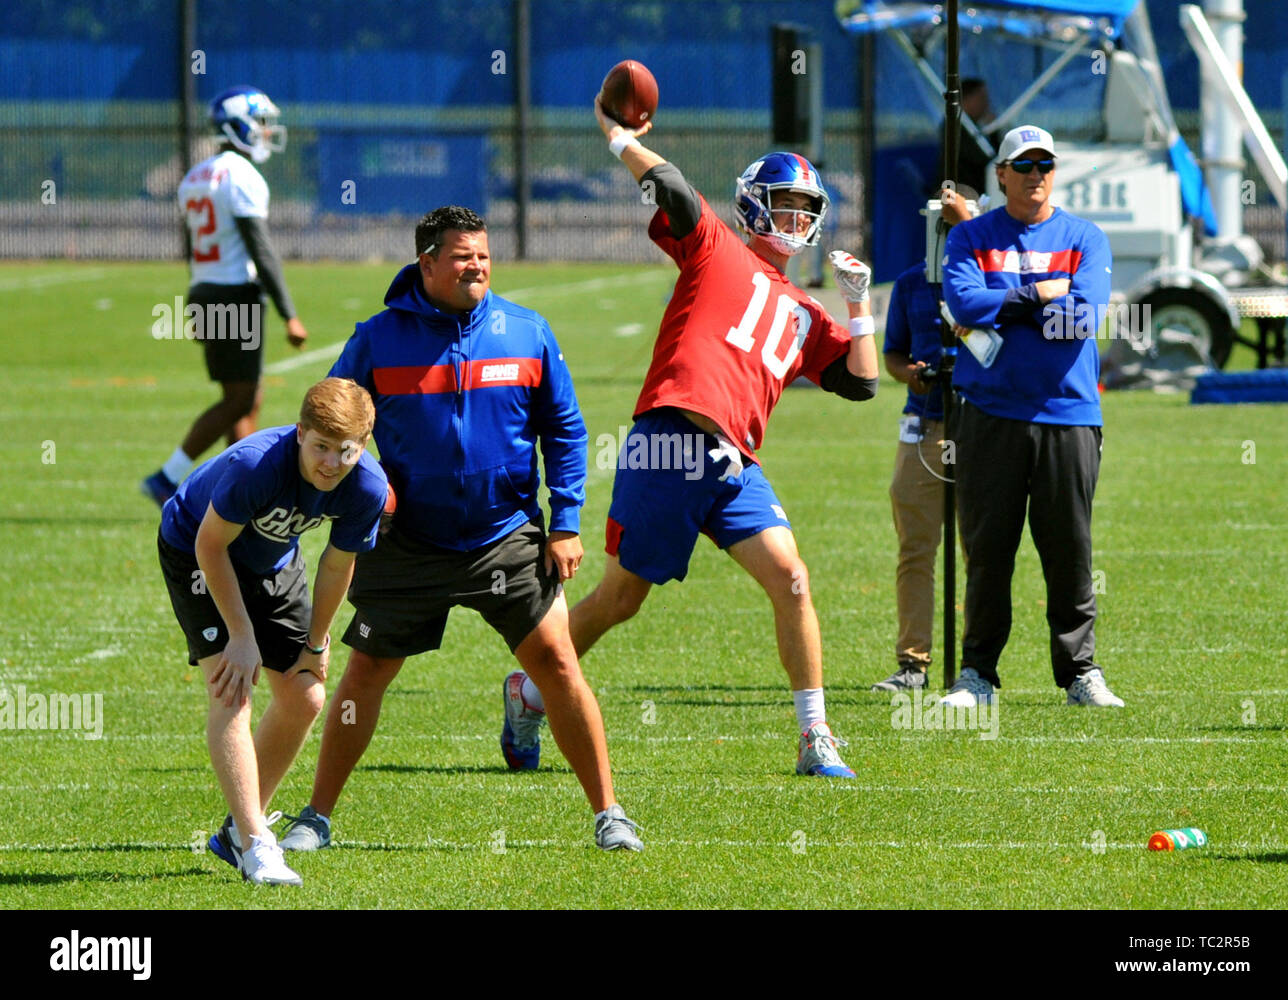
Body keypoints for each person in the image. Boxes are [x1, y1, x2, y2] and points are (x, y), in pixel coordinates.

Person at [510, 101, 879, 779]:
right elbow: (674, 189)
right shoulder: (716, 247)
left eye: (806, 207)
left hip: (735, 461)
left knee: (792, 580)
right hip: (669, 441)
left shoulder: (804, 309)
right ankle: (530, 690)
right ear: (752, 207)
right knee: (621, 600)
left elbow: (862, 385)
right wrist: (620, 136)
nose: (797, 219)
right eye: (785, 204)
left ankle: (814, 735)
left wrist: (859, 308)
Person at [278, 206, 643, 853]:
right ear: (427, 264)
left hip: (505, 536)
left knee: (558, 663)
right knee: (365, 674)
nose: (476, 266)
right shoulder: (378, 338)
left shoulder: (526, 332)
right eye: (461, 256)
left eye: (483, 255)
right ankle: (315, 817)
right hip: (408, 544)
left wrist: (565, 523)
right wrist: (359, 489)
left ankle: (609, 815)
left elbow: (565, 431)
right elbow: (338, 422)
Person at [157, 377, 388, 884]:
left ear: (363, 445)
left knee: (305, 697)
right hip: (196, 550)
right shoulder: (255, 466)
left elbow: (335, 563)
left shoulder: (368, 485)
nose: (330, 462)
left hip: (274, 560)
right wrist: (240, 637)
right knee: (233, 690)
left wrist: (317, 642)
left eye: (345, 451)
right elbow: (209, 547)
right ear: (300, 433)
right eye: (320, 447)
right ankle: (258, 843)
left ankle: (238, 834)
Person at [940, 124, 1123, 708]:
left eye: (1045, 164)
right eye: (1023, 166)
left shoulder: (1086, 236)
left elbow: (1083, 315)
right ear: (1001, 175)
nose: (1035, 175)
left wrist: (1009, 309)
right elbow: (965, 305)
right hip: (990, 413)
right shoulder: (970, 236)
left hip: (1068, 413)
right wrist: (1040, 295)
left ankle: (1079, 673)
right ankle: (977, 676)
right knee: (988, 550)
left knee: (1069, 550)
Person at [142, 86, 309, 507]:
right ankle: (169, 476)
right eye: (262, 124)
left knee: (241, 397)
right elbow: (261, 248)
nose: (269, 132)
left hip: (206, 289)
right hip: (236, 294)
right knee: (241, 398)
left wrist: (195, 300)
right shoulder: (242, 175)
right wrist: (289, 313)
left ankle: (242, 486)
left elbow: (192, 247)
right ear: (240, 126)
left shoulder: (196, 175)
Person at [872, 186, 975, 692]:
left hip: (979, 427)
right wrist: (909, 374)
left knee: (979, 550)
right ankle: (913, 663)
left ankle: (976, 665)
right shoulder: (911, 283)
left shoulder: (989, 278)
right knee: (916, 547)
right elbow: (891, 353)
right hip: (924, 423)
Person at [935, 78, 999, 196]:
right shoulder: (953, 126)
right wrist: (993, 133)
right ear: (966, 100)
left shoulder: (973, 127)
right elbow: (984, 160)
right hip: (962, 191)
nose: (986, 104)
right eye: (981, 99)